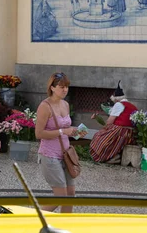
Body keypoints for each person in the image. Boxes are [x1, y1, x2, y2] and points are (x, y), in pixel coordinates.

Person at [35, 72, 84, 213]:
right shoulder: (45, 106)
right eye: (61, 86)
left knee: (71, 195)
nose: (65, 90)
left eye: (67, 86)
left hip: (66, 154)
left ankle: (65, 225)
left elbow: (67, 129)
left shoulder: (66, 105)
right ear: (52, 87)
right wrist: (63, 132)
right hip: (49, 155)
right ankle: (35, 219)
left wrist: (76, 132)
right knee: (61, 197)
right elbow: (39, 134)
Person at [90, 81, 138, 163]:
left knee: (99, 137)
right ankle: (115, 156)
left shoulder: (118, 104)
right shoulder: (133, 106)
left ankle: (108, 157)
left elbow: (109, 121)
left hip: (121, 131)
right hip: (132, 134)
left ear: (116, 99)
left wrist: (104, 128)